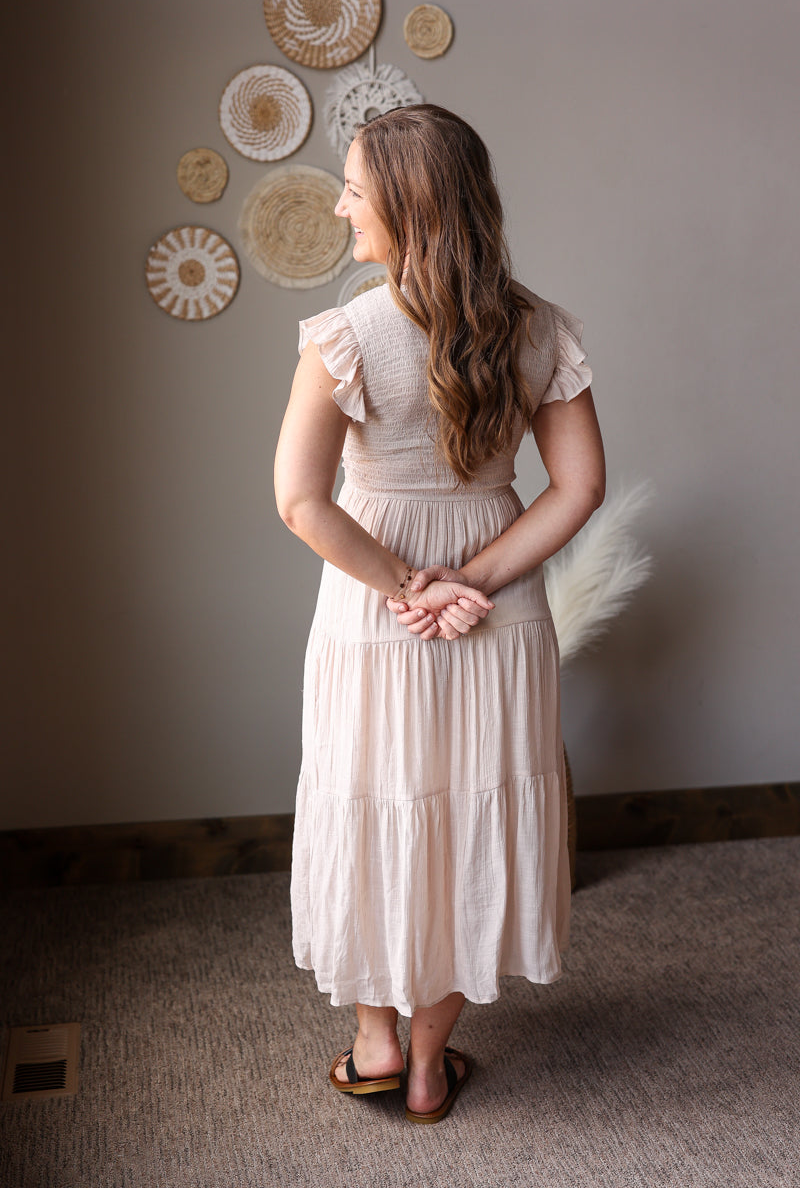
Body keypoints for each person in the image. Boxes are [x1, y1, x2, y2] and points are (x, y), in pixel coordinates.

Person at [273, 104, 605, 1124]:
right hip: (495, 607)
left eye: (353, 192)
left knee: (372, 806)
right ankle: (427, 1064)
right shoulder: (541, 329)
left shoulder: (345, 336)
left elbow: (300, 502)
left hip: (378, 607)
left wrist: (404, 586)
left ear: (408, 209)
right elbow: (579, 487)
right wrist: (475, 580)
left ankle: (374, 1042)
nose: (339, 208)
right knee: (473, 815)